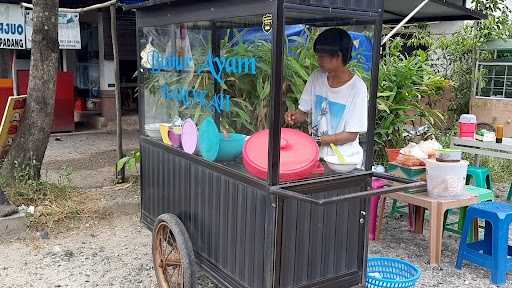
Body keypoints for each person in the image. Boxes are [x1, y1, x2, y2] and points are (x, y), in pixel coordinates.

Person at [285, 28, 368, 168]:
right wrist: (293, 116)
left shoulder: (357, 88)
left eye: (322, 56)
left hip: (344, 163)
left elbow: (351, 135)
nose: (318, 60)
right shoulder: (316, 77)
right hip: (317, 158)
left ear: (338, 56)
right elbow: (302, 113)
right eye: (318, 56)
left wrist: (318, 140)